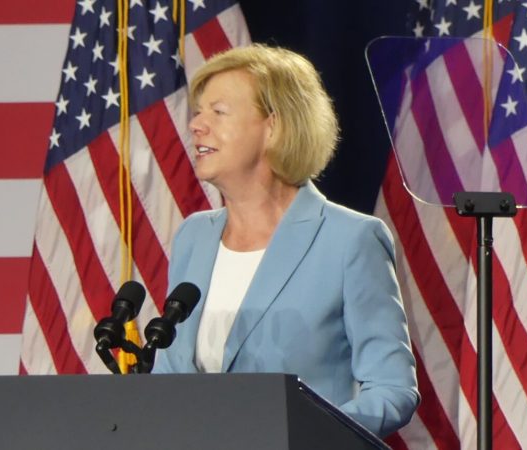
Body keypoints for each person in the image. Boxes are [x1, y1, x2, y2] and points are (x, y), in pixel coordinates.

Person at [151, 44, 419, 438]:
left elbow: (393, 389)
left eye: (218, 112)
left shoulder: (349, 239)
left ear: (273, 127)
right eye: (198, 111)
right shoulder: (195, 235)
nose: (196, 125)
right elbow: (170, 373)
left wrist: (302, 437)